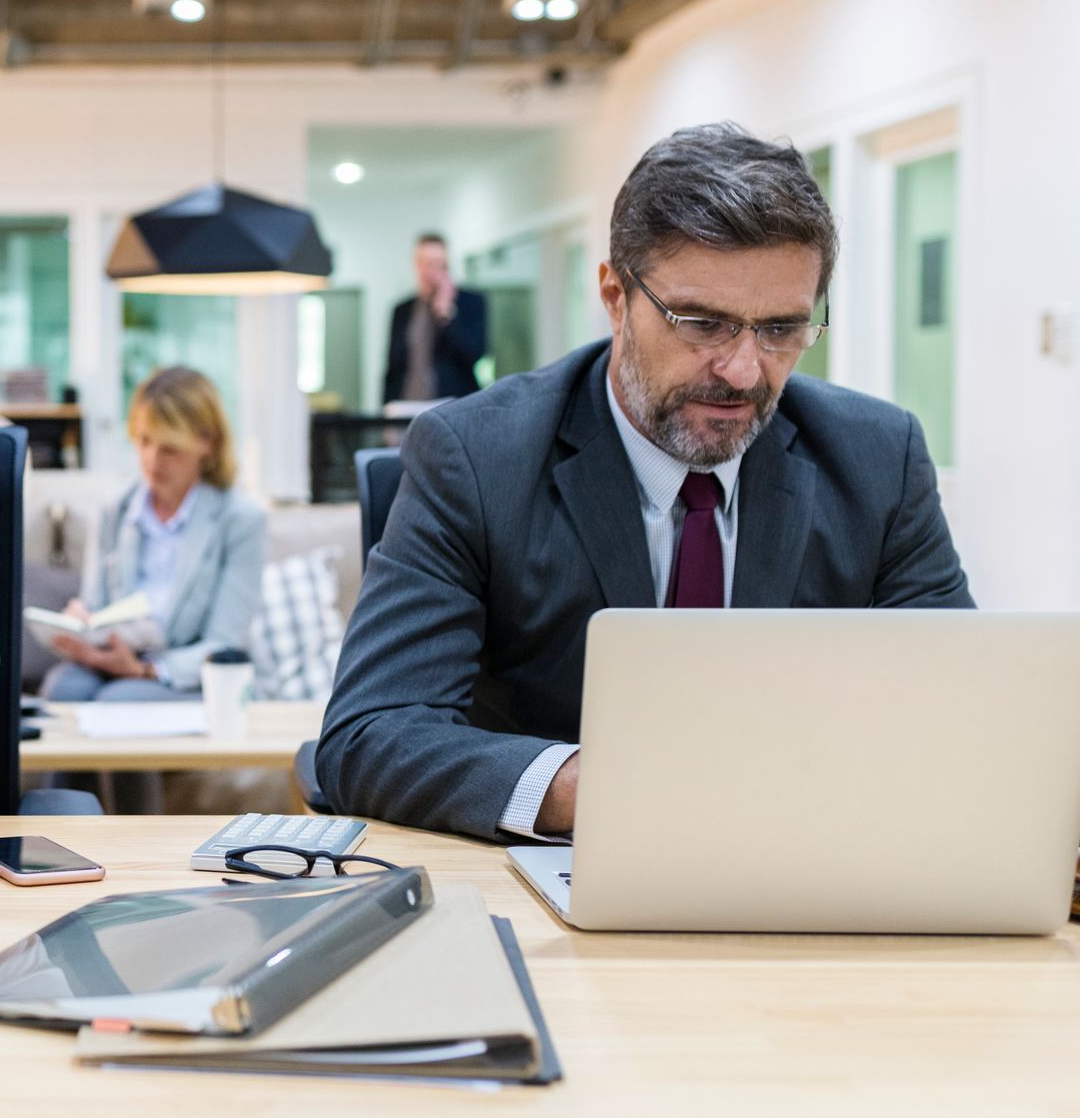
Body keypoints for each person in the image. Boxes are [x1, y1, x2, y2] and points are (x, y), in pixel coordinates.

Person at [318, 122, 972, 842]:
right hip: (558, 885)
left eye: (782, 328)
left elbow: (959, 717)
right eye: (703, 323)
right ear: (613, 295)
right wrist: (601, 791)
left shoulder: (879, 460)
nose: (744, 371)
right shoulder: (476, 458)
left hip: (802, 862)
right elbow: (370, 735)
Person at [43, 367, 266, 702]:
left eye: (169, 449)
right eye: (144, 441)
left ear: (207, 442)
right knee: (62, 690)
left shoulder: (240, 519)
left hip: (190, 676)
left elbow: (224, 644)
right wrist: (82, 624)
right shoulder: (114, 511)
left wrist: (143, 670)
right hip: (116, 660)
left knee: (121, 699)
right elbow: (97, 605)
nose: (151, 460)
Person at [382, 232, 489, 404]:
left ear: (446, 266)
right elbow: (392, 368)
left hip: (452, 406)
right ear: (416, 264)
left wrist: (447, 313)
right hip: (406, 406)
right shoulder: (402, 309)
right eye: (424, 263)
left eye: (436, 264)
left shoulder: (470, 303)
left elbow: (474, 355)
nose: (429, 271)